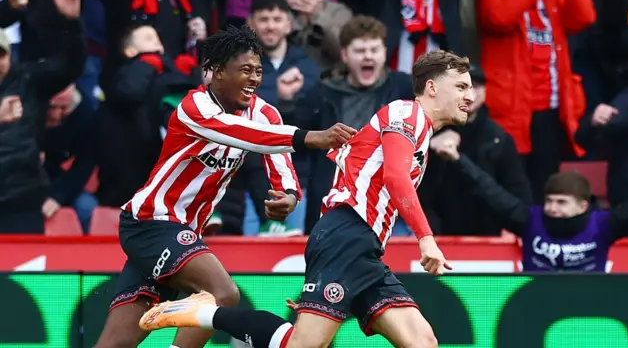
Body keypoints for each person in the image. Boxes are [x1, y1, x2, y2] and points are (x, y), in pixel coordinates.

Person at [137, 50, 474, 348]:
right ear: (431, 88)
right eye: (461, 86)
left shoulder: (419, 129)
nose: (469, 96)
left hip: (364, 250)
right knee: (303, 345)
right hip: (346, 236)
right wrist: (426, 240)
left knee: (422, 342)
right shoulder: (407, 112)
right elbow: (395, 177)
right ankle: (208, 314)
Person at [93, 24, 356, 348]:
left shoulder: (265, 114)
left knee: (115, 342)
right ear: (215, 72)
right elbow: (243, 134)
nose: (255, 79)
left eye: (259, 71)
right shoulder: (194, 108)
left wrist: (288, 196)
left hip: (183, 232)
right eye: (245, 70)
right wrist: (309, 137)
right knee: (222, 293)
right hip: (150, 223)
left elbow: (279, 163)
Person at [512, 171, 628, 272]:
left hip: (589, 300)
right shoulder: (530, 219)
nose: (552, 208)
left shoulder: (602, 224)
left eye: (561, 202)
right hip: (536, 299)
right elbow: (497, 199)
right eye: (549, 201)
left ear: (583, 207)